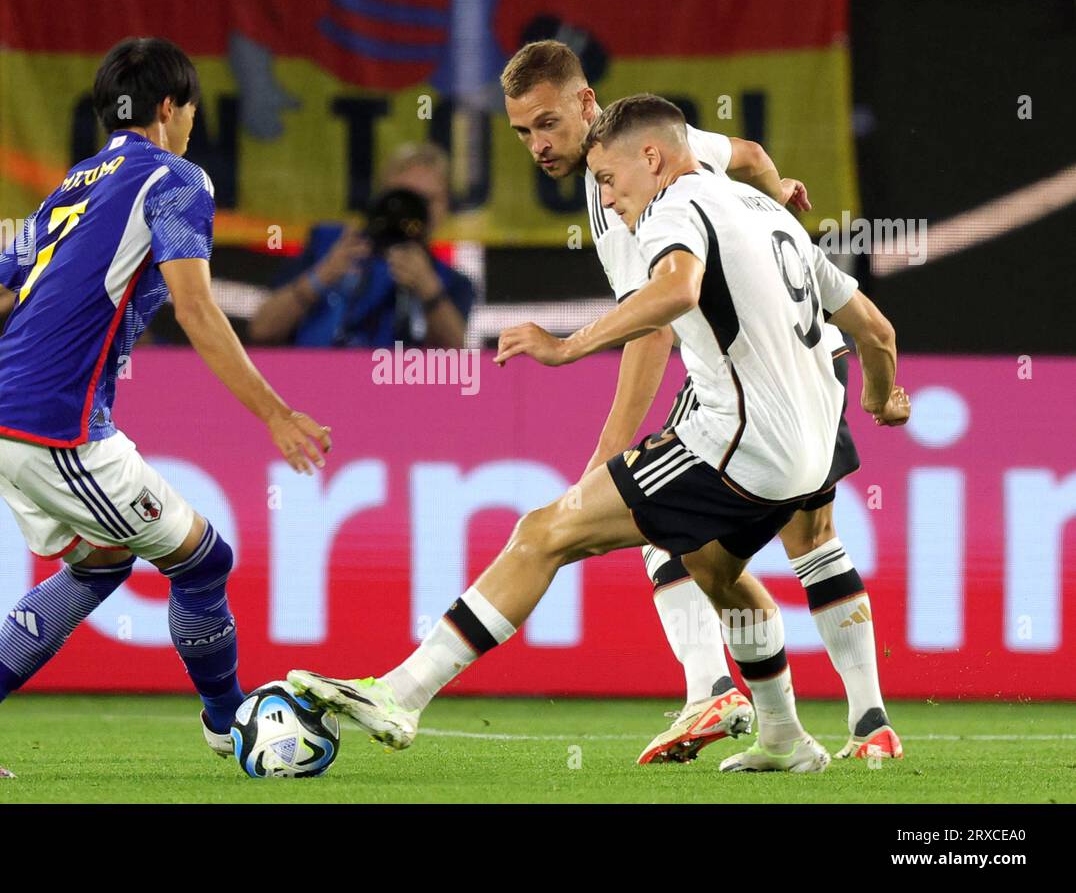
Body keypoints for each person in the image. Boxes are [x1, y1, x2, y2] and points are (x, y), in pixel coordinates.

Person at [288, 95, 910, 774]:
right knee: (712, 567)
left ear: (652, 158)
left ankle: (401, 695)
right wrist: (882, 399)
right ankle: (785, 737)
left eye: (610, 181)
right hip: (812, 443)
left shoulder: (675, 207)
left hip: (738, 446)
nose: (607, 199)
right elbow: (877, 330)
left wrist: (565, 347)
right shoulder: (770, 213)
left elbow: (673, 293)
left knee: (543, 531)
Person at [0, 36, 332, 779]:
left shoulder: (76, 187)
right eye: (190, 112)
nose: (190, 126)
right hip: (57, 426)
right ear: (171, 107)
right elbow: (197, 309)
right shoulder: (176, 180)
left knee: (100, 564)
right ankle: (232, 727)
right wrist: (275, 413)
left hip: (7, 418)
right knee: (206, 558)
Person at [500, 40, 900, 763]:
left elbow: (654, 327)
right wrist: (773, 202)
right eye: (523, 132)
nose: (538, 145)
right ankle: (869, 725)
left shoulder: (618, 183)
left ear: (586, 104)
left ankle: (710, 687)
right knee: (805, 541)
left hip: (759, 371)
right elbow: (746, 152)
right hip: (808, 354)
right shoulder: (666, 141)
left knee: (661, 519)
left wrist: (609, 453)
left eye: (548, 124)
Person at [249, 143, 473, 349]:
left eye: (426, 200)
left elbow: (457, 360)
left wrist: (428, 288)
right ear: (382, 196)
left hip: (399, 387)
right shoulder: (326, 244)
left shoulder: (451, 282)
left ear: (445, 207)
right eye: (404, 196)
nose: (411, 209)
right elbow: (261, 330)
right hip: (315, 382)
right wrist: (322, 276)